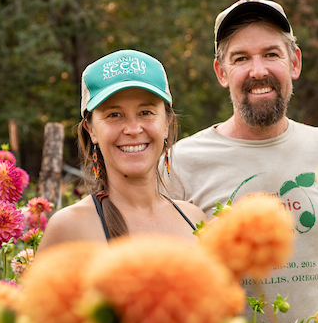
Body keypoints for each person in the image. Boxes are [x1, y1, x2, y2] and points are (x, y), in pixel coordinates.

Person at [165, 0, 318, 323]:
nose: (258, 70)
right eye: (241, 58)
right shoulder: (181, 163)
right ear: (221, 73)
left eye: (271, 54)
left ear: (295, 62)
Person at [39, 49, 204, 251]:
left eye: (146, 112)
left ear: (166, 124)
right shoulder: (68, 228)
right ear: (91, 130)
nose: (133, 129)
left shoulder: (194, 220)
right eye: (114, 114)